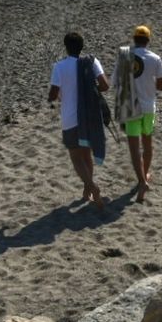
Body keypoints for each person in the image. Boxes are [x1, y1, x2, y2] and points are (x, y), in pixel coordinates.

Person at [49, 32, 110, 208]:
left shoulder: (59, 67)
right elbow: (105, 85)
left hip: (70, 118)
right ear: (82, 47)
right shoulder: (91, 62)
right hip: (89, 117)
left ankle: (92, 187)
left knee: (76, 157)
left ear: (66, 47)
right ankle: (87, 191)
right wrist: (89, 89)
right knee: (86, 154)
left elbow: (53, 94)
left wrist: (55, 96)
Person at [111, 24, 162, 203]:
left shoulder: (124, 56)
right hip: (148, 106)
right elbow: (161, 86)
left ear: (134, 39)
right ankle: (145, 175)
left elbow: (115, 82)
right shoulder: (155, 58)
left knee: (134, 148)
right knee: (147, 143)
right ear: (148, 40)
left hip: (130, 106)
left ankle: (142, 181)